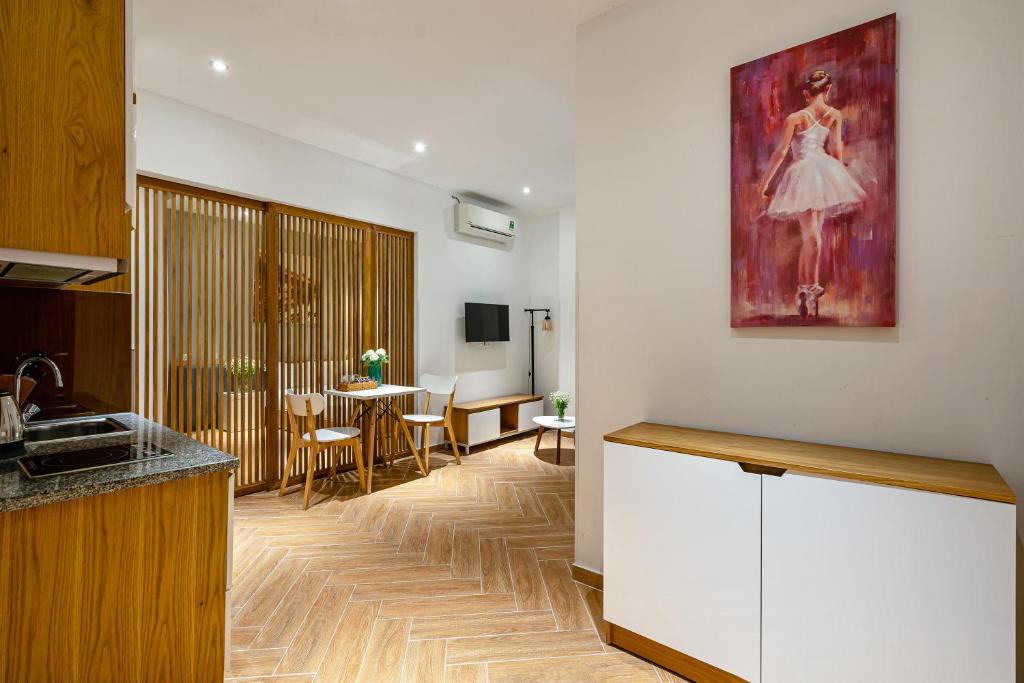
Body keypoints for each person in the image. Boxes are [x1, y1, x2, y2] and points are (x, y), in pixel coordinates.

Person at [759, 69, 867, 317]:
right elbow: (787, 152)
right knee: (813, 238)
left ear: (807, 93)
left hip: (819, 173)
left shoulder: (820, 116)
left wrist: (840, 181)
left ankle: (803, 289)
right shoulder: (803, 118)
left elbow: (831, 150)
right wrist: (764, 186)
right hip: (807, 175)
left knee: (812, 238)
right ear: (827, 89)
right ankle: (811, 288)